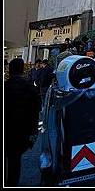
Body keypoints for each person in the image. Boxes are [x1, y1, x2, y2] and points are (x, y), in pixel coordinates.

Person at [5, 58, 41, 186]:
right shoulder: (30, 88)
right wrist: (33, 132)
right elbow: (36, 111)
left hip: (6, 129)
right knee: (15, 162)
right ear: (22, 70)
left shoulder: (5, 87)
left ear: (10, 71)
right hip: (21, 132)